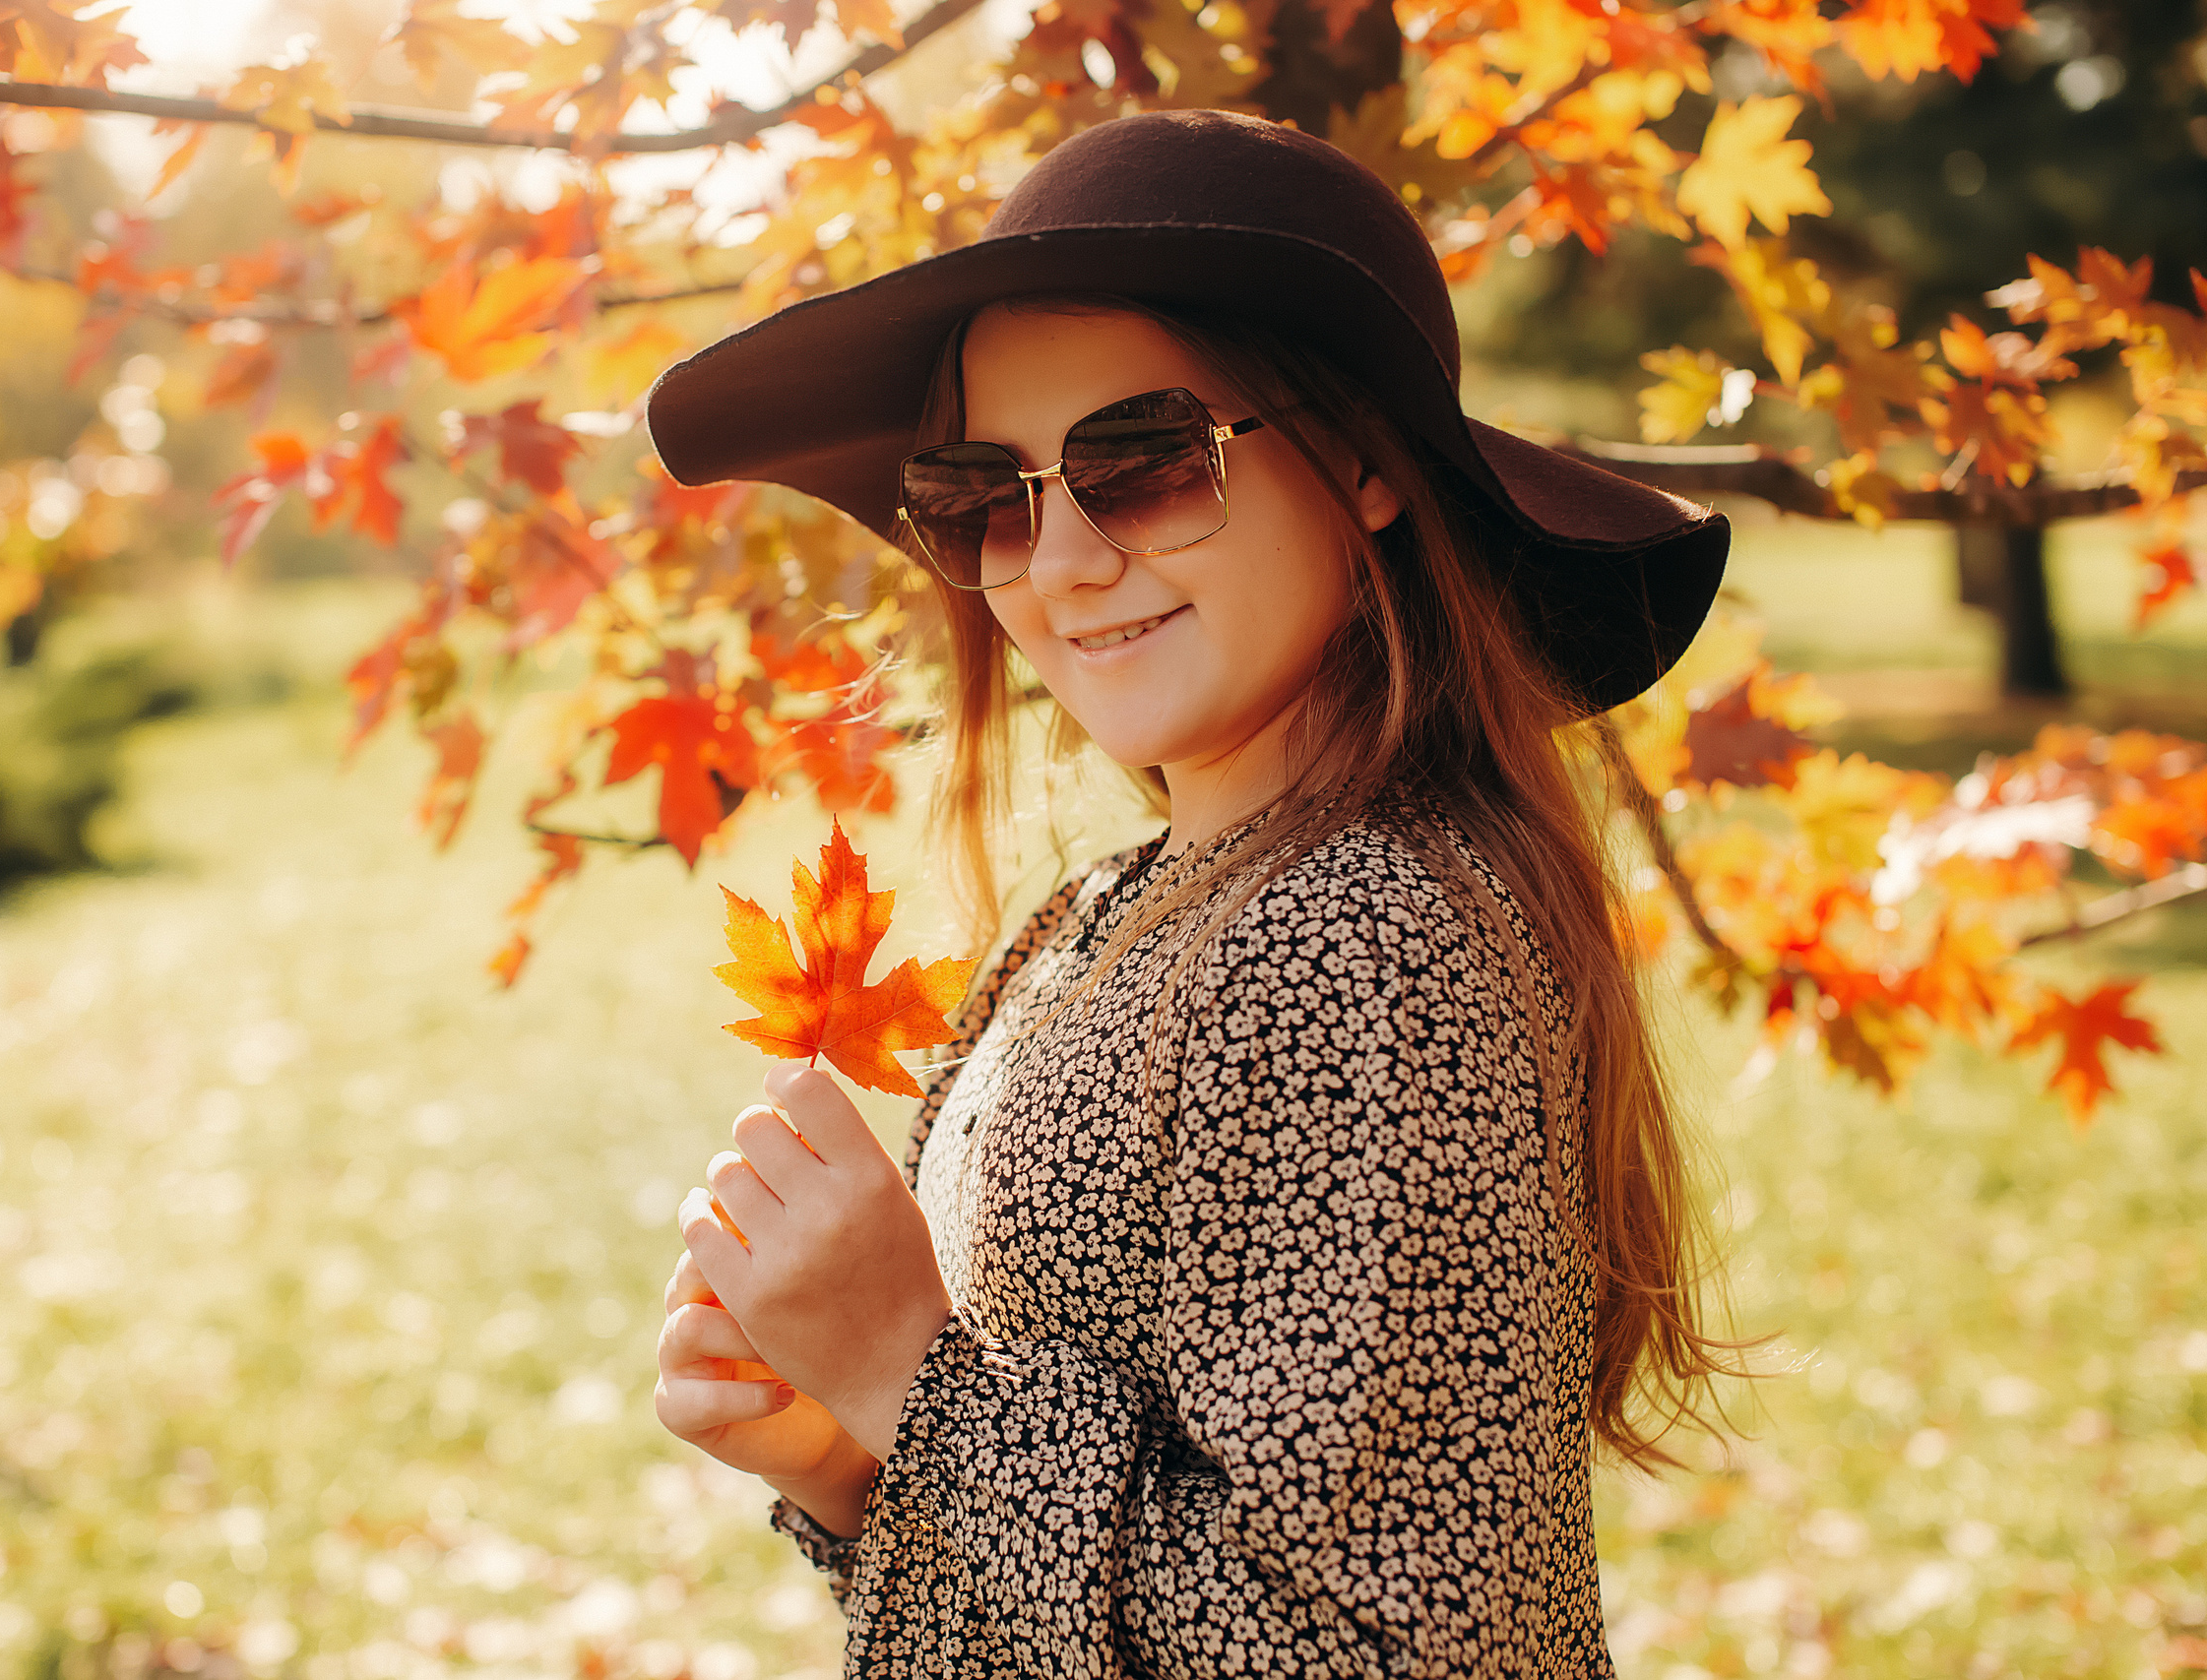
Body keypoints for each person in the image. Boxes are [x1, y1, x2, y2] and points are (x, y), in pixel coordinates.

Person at [644, 108, 1740, 1677]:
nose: (1061, 560)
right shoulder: (1111, 910)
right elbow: (1089, 1581)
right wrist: (834, 1445)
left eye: (1144, 463)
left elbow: (1367, 1649)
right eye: (986, 495)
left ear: (1360, 457)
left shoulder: (1364, 934)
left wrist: (905, 1370)